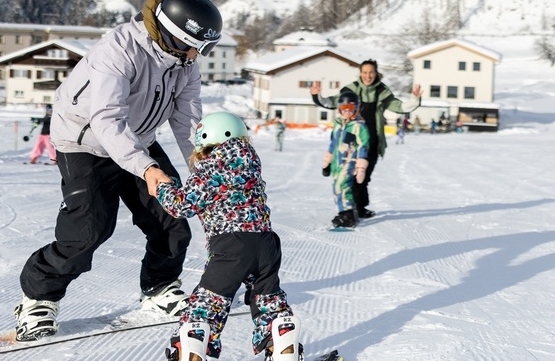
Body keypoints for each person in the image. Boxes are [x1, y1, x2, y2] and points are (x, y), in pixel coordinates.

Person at [13, 0, 223, 342]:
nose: (194, 56)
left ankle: (159, 290)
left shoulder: (184, 65)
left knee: (171, 219)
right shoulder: (118, 50)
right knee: (86, 233)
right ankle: (38, 300)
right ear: (171, 34)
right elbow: (107, 120)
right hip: (86, 143)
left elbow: (188, 122)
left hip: (137, 139)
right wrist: (147, 168)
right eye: (191, 46)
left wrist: (205, 168)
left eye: (201, 49)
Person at [155, 112, 301, 361]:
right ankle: (283, 350)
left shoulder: (212, 165)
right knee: (269, 301)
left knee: (205, 308)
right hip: (266, 244)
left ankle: (189, 354)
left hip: (232, 246)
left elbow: (181, 205)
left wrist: (162, 186)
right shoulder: (250, 161)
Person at [310, 59, 421, 219]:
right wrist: (317, 95)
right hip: (350, 142)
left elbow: (399, 107)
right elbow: (333, 103)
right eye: (365, 72)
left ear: (376, 74)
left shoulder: (382, 92)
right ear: (360, 73)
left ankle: (358, 207)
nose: (368, 76)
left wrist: (414, 100)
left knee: (363, 176)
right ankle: (349, 209)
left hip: (372, 142)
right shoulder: (351, 90)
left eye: (371, 72)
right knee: (347, 177)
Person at [323, 90, 370, 228]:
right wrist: (327, 161)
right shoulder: (338, 123)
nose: (347, 112)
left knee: (343, 187)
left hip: (350, 162)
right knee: (336, 188)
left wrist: (361, 167)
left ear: (356, 108)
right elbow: (333, 143)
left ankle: (349, 215)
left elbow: (363, 145)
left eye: (351, 108)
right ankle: (343, 212)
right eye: (344, 108)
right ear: (339, 108)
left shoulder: (359, 126)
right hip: (337, 163)